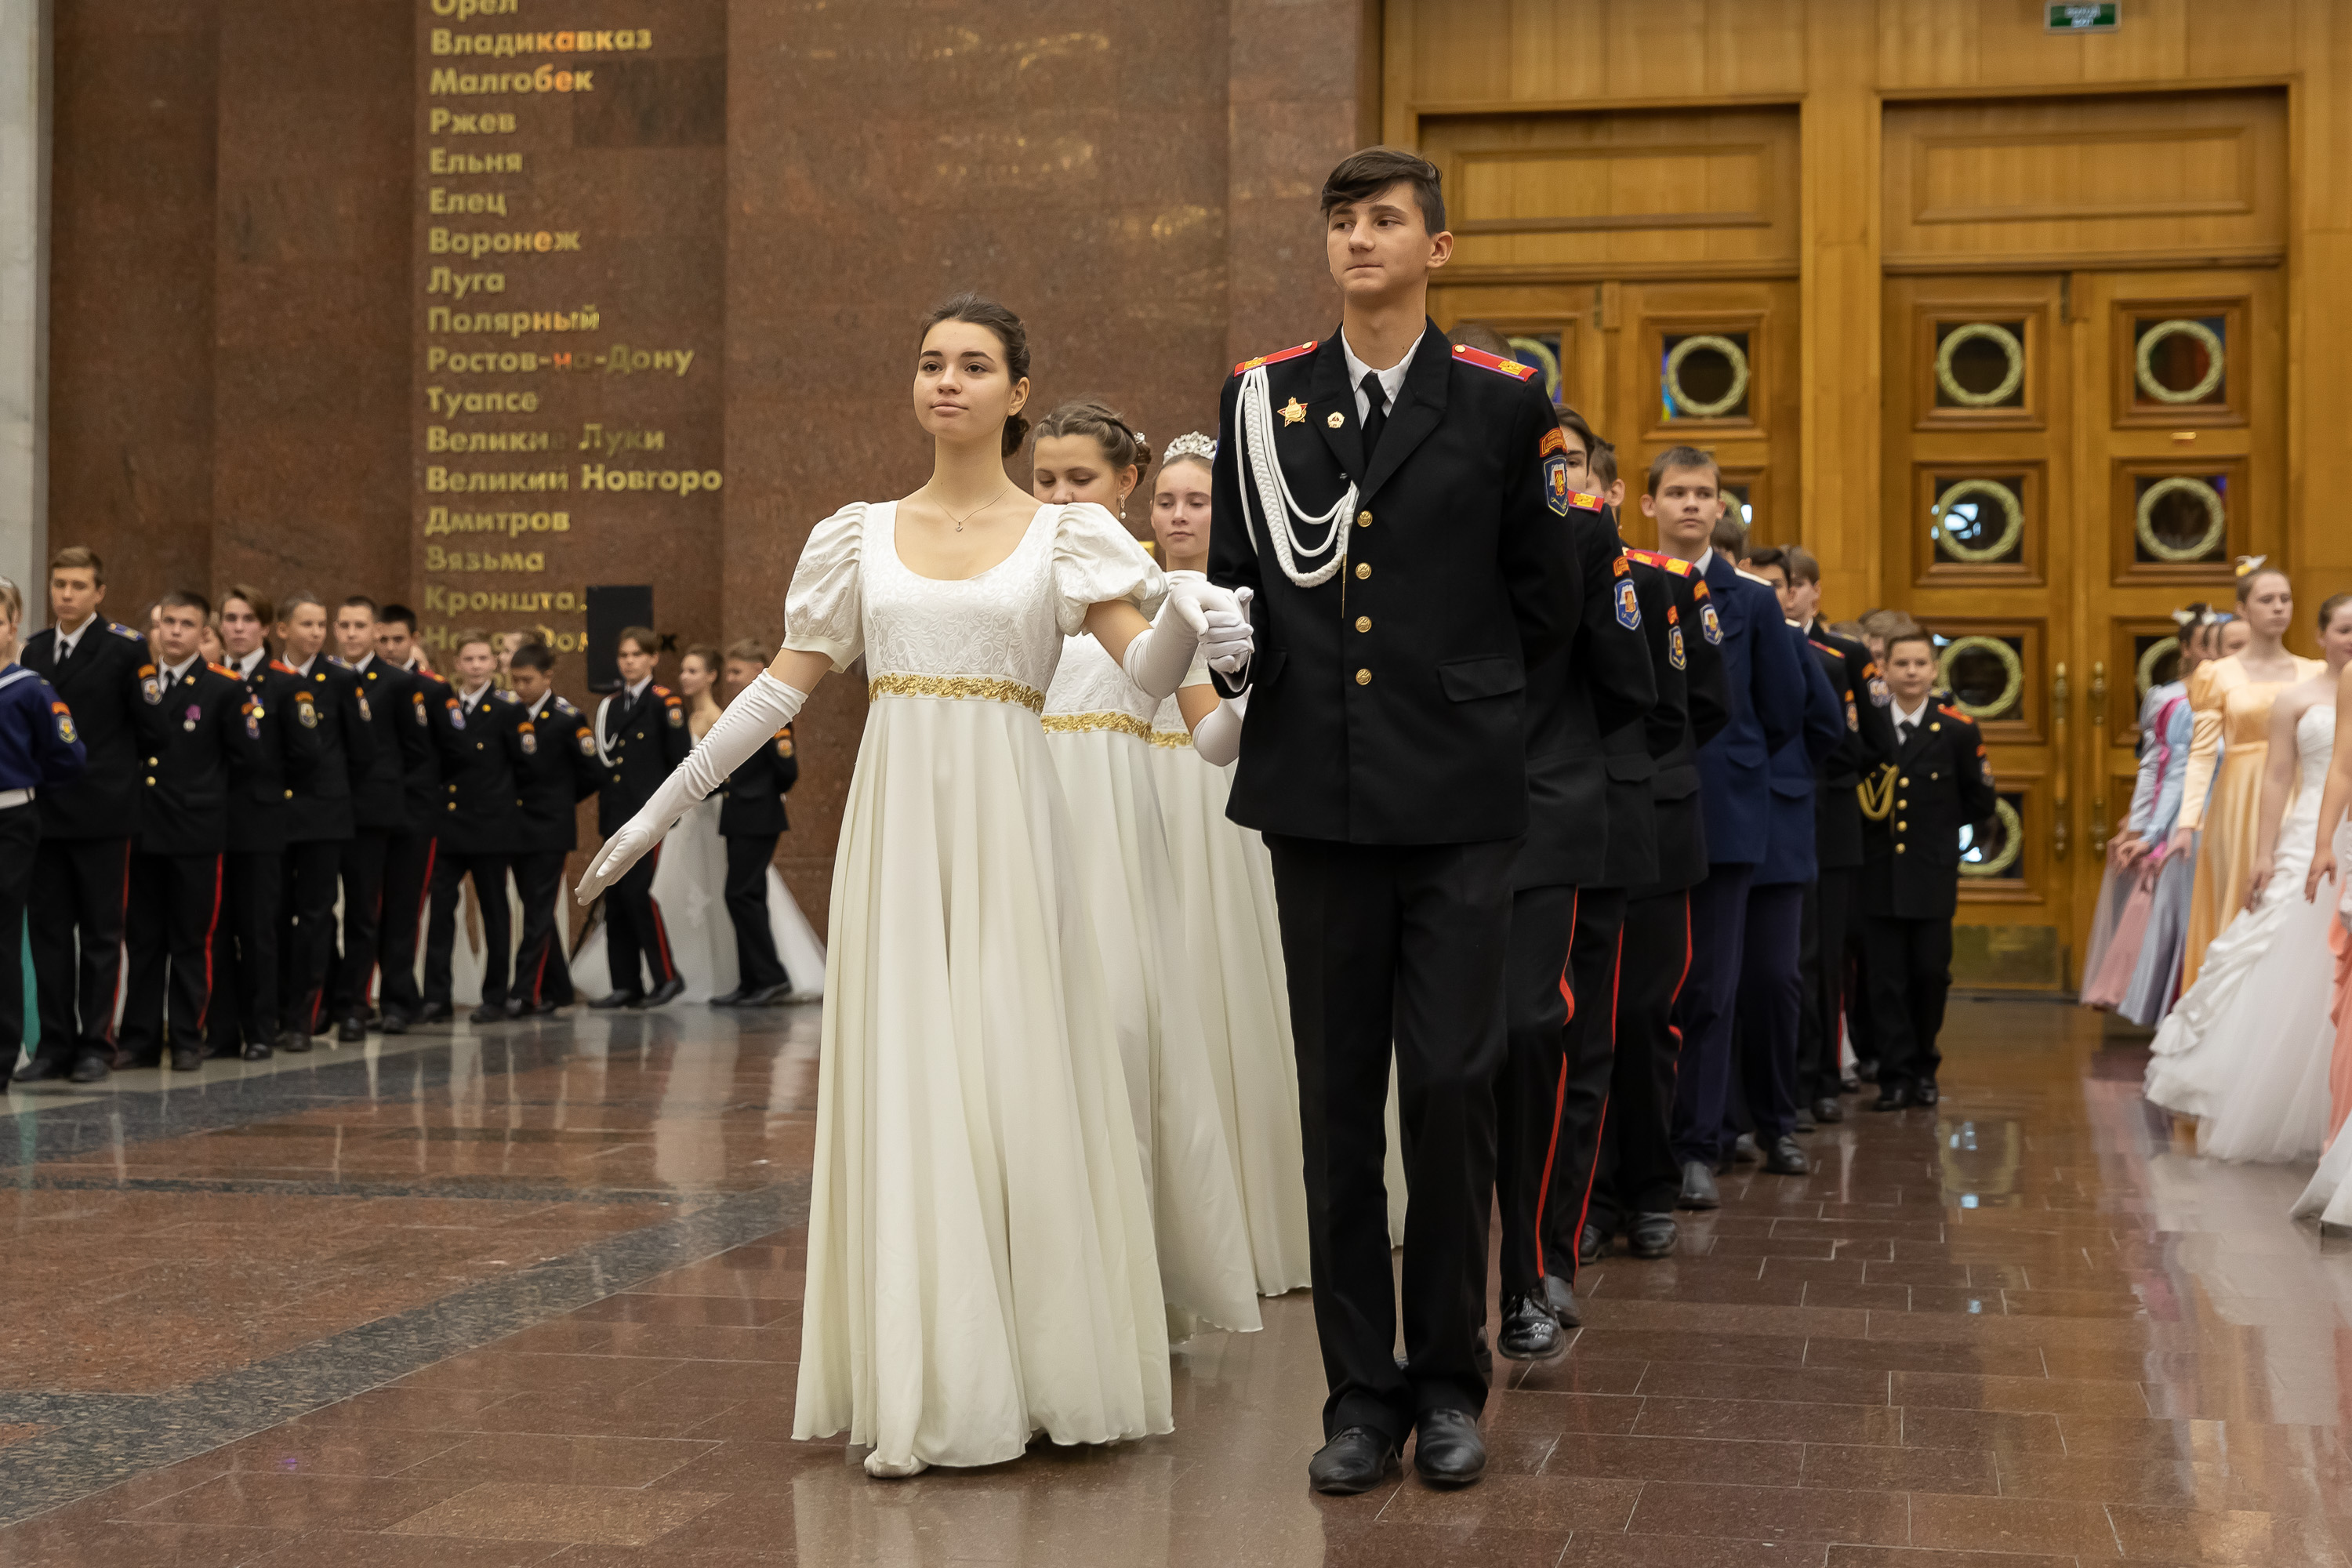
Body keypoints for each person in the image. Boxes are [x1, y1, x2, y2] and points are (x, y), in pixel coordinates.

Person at [576, 292, 1246, 1477]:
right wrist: (656, 808)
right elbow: (780, 691)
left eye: (975, 365)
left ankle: (1043, 1372)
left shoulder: (1068, 535)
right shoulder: (859, 533)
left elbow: (1173, 707)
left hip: (1012, 819)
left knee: (1017, 1074)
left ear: (1017, 391)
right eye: (931, 362)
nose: (948, 382)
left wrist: (1194, 622)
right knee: (912, 1081)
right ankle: (929, 1382)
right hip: (898, 824)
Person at [1207, 147, 1579, 1494]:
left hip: (1459, 802)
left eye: (1386, 221)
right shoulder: (1264, 398)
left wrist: (1460, 709)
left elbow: (1547, 600)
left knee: (1447, 1084)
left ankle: (1449, 1381)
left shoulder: (1498, 402)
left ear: (1439, 249)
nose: (1360, 241)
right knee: (1335, 1100)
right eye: (1343, 223)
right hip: (1316, 795)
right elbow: (1237, 586)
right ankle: (1360, 1397)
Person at [1031, 397, 1264, 1341]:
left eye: (1079, 479)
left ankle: (1126, 1285)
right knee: (1034, 1058)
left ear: (1124, 482)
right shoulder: (1014, 574)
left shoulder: (1156, 591)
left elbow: (1210, 736)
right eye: (1043, 480)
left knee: (1124, 1042)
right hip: (1027, 827)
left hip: (1119, 847)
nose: (1058, 497)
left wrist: (1252, 680)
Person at [1490, 403, 1653, 1363]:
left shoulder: (1590, 535)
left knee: (1536, 1026)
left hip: (1547, 806)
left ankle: (1542, 1259)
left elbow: (1632, 678)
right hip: (1438, 806)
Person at [1143, 433, 1316, 1298]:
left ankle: (1249, 1208)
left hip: (1217, 801)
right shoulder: (1123, 588)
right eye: (1166, 500)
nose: (1178, 515)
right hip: (1130, 791)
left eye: (1196, 500)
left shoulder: (1253, 590)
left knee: (1223, 983)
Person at [1561, 441, 1729, 1267]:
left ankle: (1651, 1189)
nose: (1569, 494)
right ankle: (1585, 1200)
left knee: (1642, 1018)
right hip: (1563, 823)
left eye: (1581, 481)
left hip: (1652, 820)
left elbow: (1701, 703)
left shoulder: (1664, 581)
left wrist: (1633, 768)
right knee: (1575, 1026)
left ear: (1612, 492)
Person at [1645, 445, 1804, 1207]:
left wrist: (1730, 764)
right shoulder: (1623, 584)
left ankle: (1696, 1145)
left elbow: (1783, 706)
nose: (1689, 505)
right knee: (1647, 988)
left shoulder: (1751, 599)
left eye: (1702, 493)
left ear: (1719, 507)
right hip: (1641, 807)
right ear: (1648, 505)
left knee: (1711, 984)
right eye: (1675, 491)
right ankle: (1635, 1142)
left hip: (1727, 813)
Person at [2145, 593, 2352, 1145]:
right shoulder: (2295, 698)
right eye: (2344, 629)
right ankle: (2266, 1090)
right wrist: (2264, 852)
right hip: (2310, 823)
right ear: (2322, 636)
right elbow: (2279, 777)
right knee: (2278, 947)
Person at [1755, 547, 1896, 1127]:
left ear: (1810, 590)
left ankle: (1819, 1080)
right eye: (1778, 586)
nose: (1785, 596)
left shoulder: (1845, 654)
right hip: (1778, 812)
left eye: (1793, 586)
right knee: (1787, 956)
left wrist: (1823, 773)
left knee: (1825, 956)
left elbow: (1875, 743)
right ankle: (1782, 1076)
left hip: (1833, 818)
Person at [18, 546, 151, 1083]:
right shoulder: (35, 651)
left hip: (102, 814)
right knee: (50, 934)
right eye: (59, 585)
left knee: (100, 933)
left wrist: (116, 779)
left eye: (78, 586)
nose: (66, 595)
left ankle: (96, 1042)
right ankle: (54, 1043)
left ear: (99, 593)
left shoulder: (124, 649)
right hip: (47, 813)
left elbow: (152, 727)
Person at [1735, 546, 1846, 1167]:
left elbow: (1825, 725)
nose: (1774, 596)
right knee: (1711, 985)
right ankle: (1721, 1123)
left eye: (1780, 585)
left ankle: (1779, 1118)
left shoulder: (1796, 646)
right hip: (1717, 818)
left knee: (1777, 979)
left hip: (1779, 816)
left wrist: (1786, 768)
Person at [118, 591, 257, 1073]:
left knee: (191, 940)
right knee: (143, 940)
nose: (173, 632)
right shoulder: (138, 682)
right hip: (143, 829)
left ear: (204, 634)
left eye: (185, 624)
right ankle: (138, 1039)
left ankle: (185, 1038)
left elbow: (245, 761)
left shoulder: (223, 687)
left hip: (196, 832)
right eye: (166, 623)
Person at [1859, 626, 1998, 1109]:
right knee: (1885, 978)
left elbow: (1980, 799)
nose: (1912, 673)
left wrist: (1940, 833)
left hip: (1931, 871)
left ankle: (1924, 1067)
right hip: (1876, 872)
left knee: (1929, 973)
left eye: (1921, 664)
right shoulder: (1868, 724)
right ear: (1884, 670)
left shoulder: (1955, 728)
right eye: (1902, 664)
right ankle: (1894, 1076)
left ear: (1934, 670)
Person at [2172, 561, 2319, 990]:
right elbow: (2201, 754)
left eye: (2285, 599)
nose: (2278, 608)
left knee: (2293, 905)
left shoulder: (2313, 671)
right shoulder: (2217, 674)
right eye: (2266, 600)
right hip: (2240, 799)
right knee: (2243, 899)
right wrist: (2187, 822)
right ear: (2243, 610)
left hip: (2302, 792)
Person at [205, 586, 316, 1062]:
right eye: (229, 619)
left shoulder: (285, 685)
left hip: (260, 822)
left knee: (258, 930)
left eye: (248, 619)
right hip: (210, 822)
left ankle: (260, 1029)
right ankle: (222, 1031)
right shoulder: (207, 681)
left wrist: (269, 792)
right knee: (216, 930)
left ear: (266, 628)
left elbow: (305, 756)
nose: (237, 628)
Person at [274, 590, 374, 1048]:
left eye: (320, 625)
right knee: (275, 917)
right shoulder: (267, 678)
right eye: (306, 624)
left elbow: (360, 751)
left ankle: (308, 1016)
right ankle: (275, 1010)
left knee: (317, 917)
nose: (316, 633)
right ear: (282, 629)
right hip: (275, 814)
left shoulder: (339, 679)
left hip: (325, 815)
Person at [0, 575, 86, 1075]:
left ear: (14, 626)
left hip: (11, 818)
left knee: (2, 936)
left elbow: (69, 754)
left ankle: (4, 1048)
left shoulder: (31, 690)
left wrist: (31, 789)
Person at [327, 596, 419, 1041]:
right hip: (330, 809)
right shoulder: (324, 678)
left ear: (374, 631)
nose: (349, 634)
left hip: (378, 815)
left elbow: (414, 752)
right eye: (342, 625)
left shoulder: (396, 683)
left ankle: (377, 1003)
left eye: (359, 626)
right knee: (328, 912)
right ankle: (336, 998)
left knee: (375, 912)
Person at [423, 630, 524, 1023]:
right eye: (469, 659)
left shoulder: (507, 709)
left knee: (495, 914)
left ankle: (495, 995)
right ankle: (437, 996)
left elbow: (523, 769)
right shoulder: (444, 704)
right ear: (458, 664)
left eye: (484, 659)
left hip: (490, 827)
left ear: (495, 663)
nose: (477, 666)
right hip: (449, 825)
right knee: (441, 912)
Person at [588, 626, 691, 1009]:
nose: (629, 662)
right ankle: (625, 983)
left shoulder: (665, 703)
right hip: (616, 814)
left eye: (636, 655)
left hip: (649, 817)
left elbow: (681, 762)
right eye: (623, 656)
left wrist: (667, 814)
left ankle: (667, 976)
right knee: (615, 897)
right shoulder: (611, 706)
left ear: (653, 659)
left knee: (636, 893)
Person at [711, 640, 818, 1004]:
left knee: (741, 894)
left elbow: (787, 770)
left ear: (759, 671)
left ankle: (770, 977)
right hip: (739, 816)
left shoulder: (773, 716)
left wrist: (756, 789)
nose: (730, 678)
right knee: (744, 895)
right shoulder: (743, 710)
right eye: (728, 671)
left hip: (759, 816)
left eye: (737, 671)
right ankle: (753, 981)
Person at [370, 604, 453, 1032]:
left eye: (397, 640)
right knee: (373, 911)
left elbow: (455, 752)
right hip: (373, 814)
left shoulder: (434, 690)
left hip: (417, 816)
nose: (388, 648)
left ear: (414, 640)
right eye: (381, 639)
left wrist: (428, 796)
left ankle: (400, 1001)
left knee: (404, 910)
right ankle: (385, 997)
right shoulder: (365, 685)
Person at [506, 641, 599, 1014]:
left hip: (550, 828)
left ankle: (525, 991)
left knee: (540, 909)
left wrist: (561, 800)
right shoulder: (510, 714)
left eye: (527, 680)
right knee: (534, 906)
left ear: (548, 677)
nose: (520, 687)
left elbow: (593, 773)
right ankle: (559, 987)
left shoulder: (567, 718)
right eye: (515, 680)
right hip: (515, 825)